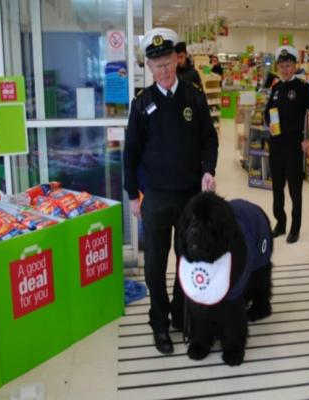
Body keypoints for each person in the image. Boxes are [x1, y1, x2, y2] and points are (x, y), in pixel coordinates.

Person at [123, 27, 218, 354]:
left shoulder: (193, 95)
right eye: (156, 65)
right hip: (156, 199)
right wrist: (132, 194)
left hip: (190, 196)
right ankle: (159, 323)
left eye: (167, 62)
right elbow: (130, 152)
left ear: (177, 60)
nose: (163, 71)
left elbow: (209, 138)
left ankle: (181, 314)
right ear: (148, 67)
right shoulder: (142, 103)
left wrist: (208, 170)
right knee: (154, 266)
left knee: (187, 261)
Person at [264, 45, 309, 244]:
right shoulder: (276, 88)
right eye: (281, 65)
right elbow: (267, 112)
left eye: (288, 65)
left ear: (295, 65)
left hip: (294, 147)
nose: (285, 69)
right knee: (277, 188)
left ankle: (295, 228)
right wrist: (268, 124)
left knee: (295, 190)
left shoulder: (302, 88)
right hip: (276, 145)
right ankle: (280, 223)